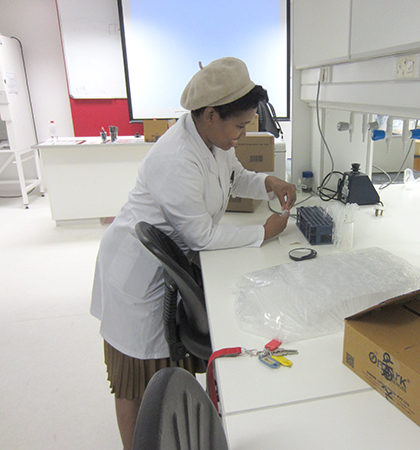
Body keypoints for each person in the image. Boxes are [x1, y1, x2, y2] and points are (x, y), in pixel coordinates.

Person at [90, 57, 296, 449]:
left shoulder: (213, 139)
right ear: (211, 114)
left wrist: (268, 182)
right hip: (137, 275)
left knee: (164, 370)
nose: (242, 134)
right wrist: (263, 232)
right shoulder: (176, 158)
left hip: (168, 264)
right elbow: (201, 235)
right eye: (239, 126)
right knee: (135, 379)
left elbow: (234, 176)